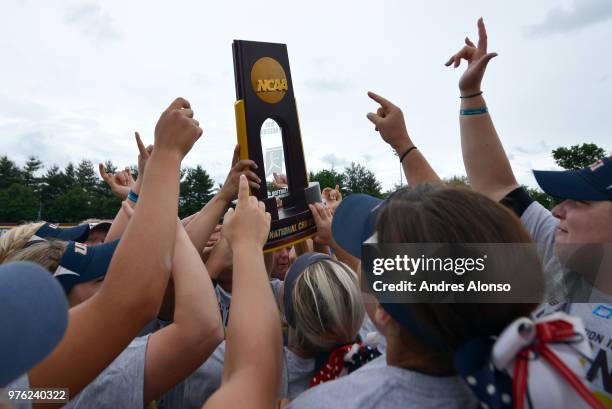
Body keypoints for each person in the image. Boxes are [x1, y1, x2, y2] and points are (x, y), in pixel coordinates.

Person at [446, 17, 611, 403]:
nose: (557, 211)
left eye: (579, 201)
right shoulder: (567, 253)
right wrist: (471, 94)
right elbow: (498, 189)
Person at [2, 97, 203, 408]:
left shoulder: (19, 387)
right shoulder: (29, 389)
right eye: (94, 279)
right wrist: (167, 157)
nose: (105, 276)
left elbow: (119, 250)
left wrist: (146, 183)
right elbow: (138, 302)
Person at [202, 175, 283, 409]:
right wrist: (246, 243)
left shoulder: (271, 289)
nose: (226, 241)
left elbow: (263, 277)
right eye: (216, 239)